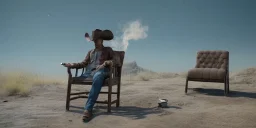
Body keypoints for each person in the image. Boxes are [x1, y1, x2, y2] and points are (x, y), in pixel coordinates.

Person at [62, 29, 115, 121]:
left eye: (96, 40)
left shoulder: (108, 50)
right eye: (93, 40)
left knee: (98, 76)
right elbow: (83, 63)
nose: (95, 42)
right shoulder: (90, 52)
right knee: (91, 76)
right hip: (88, 73)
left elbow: (115, 61)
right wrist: (71, 65)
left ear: (102, 40)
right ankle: (88, 106)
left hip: (103, 71)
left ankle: (88, 109)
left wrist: (106, 63)